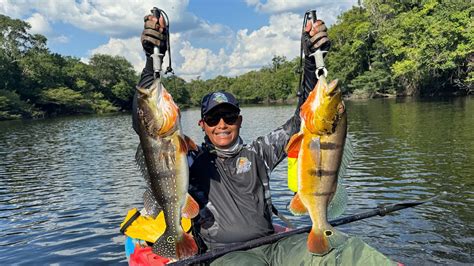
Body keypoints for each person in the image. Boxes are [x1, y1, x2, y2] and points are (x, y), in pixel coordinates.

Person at [133, 11, 397, 266]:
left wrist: (311, 61)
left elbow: (301, 121)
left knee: (350, 250)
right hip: (228, 256)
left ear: (240, 121)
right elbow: (147, 130)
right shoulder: (189, 159)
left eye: (229, 117)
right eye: (213, 119)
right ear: (202, 125)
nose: (222, 125)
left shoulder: (258, 153)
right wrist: (150, 63)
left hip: (276, 245)